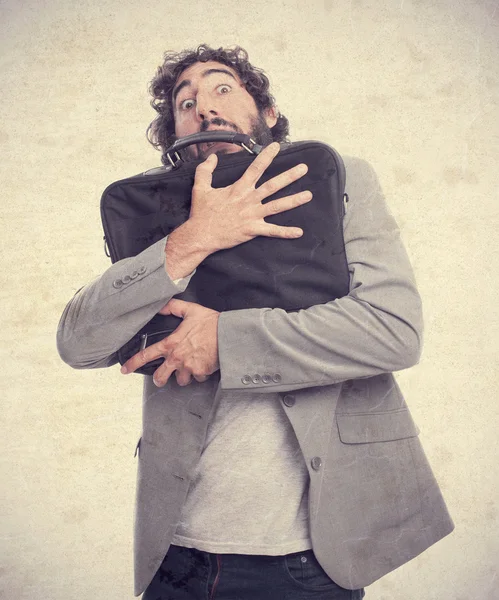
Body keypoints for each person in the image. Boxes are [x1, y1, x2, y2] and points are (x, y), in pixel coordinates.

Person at [57, 44, 454, 599]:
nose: (203, 107)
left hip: (309, 557)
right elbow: (77, 344)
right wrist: (193, 239)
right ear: (172, 132)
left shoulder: (339, 176)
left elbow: (393, 330)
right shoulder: (149, 215)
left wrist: (224, 339)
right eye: (185, 101)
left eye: (223, 88)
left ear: (267, 114)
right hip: (175, 555)